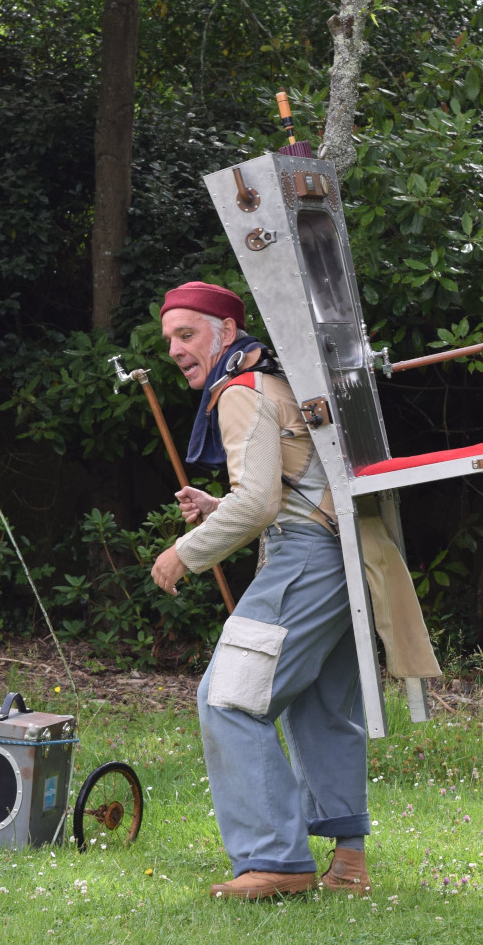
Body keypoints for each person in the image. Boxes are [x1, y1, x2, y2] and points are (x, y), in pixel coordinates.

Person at [148, 280, 372, 901]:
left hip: (302, 564)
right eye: (170, 340)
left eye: (187, 334)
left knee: (228, 700)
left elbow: (259, 503)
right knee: (320, 708)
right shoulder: (277, 379)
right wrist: (219, 503)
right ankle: (347, 864)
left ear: (225, 332)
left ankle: (276, 860)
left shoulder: (241, 391)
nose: (175, 350)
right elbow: (292, 488)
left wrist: (183, 554)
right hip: (345, 557)